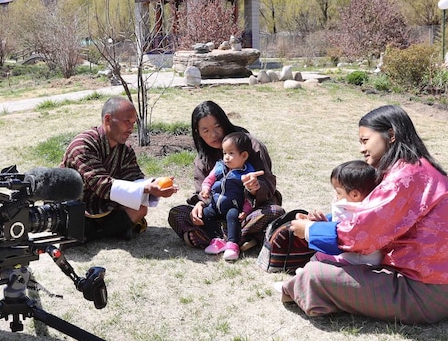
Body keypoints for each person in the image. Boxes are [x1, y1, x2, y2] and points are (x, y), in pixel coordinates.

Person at [278, 104, 448, 324]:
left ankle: (294, 291)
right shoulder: (415, 169)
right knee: (329, 264)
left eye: (365, 140)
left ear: (391, 135)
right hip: (437, 284)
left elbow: (362, 233)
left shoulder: (405, 177)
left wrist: (311, 230)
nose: (362, 149)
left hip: (425, 294)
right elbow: (370, 217)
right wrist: (326, 222)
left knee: (315, 275)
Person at [168, 100, 283, 251]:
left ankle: (223, 237)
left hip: (246, 213)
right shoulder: (202, 159)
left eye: (217, 127)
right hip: (216, 212)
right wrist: (200, 204)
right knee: (177, 212)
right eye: (205, 130)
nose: (213, 134)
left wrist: (255, 188)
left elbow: (267, 184)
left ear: (225, 122)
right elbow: (202, 190)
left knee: (275, 211)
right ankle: (241, 238)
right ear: (198, 133)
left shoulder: (251, 145)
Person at [61, 96, 177, 241]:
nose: (131, 128)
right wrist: (146, 189)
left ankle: (96, 233)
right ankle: (103, 231)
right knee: (73, 223)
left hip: (106, 207)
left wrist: (155, 185)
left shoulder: (125, 150)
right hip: (77, 208)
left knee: (140, 209)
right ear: (108, 119)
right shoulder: (83, 144)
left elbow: (135, 181)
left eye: (133, 123)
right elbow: (102, 185)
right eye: (127, 121)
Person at [308, 159, 381, 266]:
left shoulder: (349, 210)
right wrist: (324, 223)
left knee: (319, 255)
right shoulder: (375, 207)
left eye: (338, 192)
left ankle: (305, 274)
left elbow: (338, 236)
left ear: (355, 195)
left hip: (353, 260)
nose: (336, 196)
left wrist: (313, 229)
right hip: (375, 259)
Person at [199, 132, 259, 261]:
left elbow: (249, 196)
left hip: (233, 207)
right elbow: (209, 179)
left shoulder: (247, 173)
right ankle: (217, 240)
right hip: (215, 205)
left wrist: (245, 211)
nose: (226, 157)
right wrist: (205, 189)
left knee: (232, 216)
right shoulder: (219, 166)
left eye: (231, 153)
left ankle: (233, 245)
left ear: (244, 156)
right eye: (225, 153)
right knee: (206, 213)